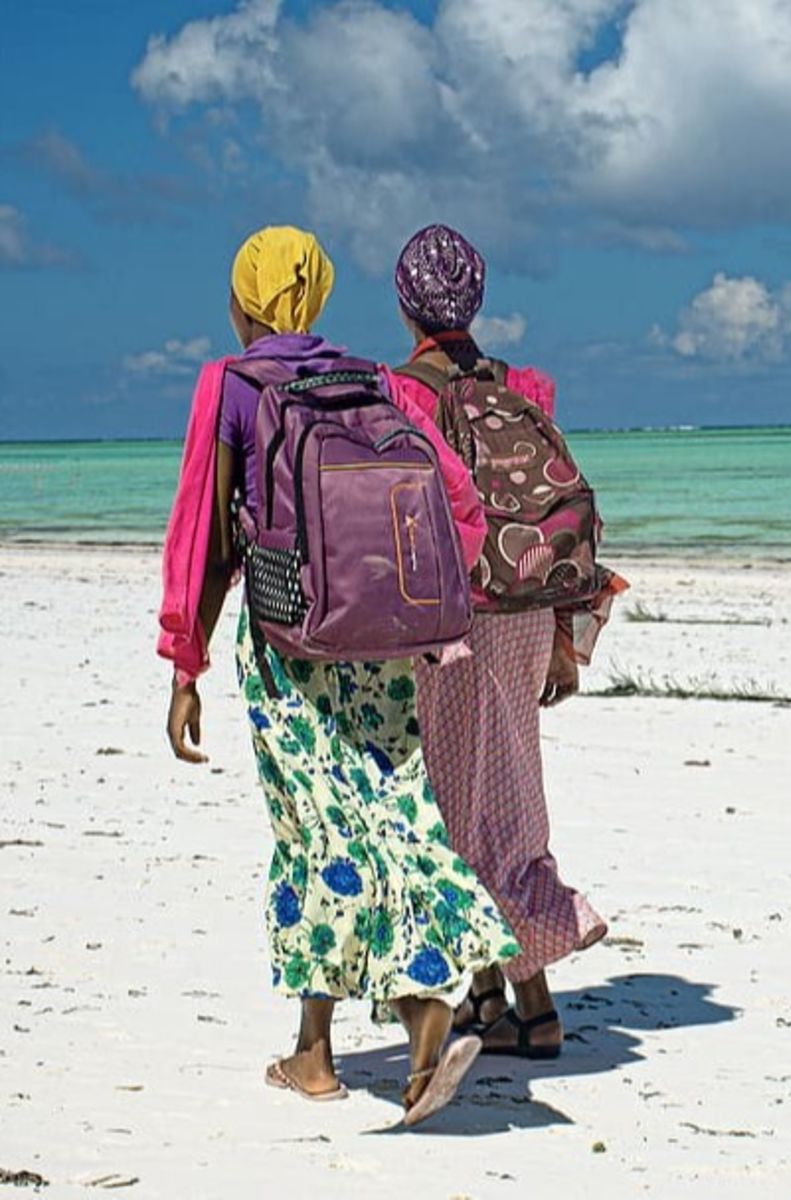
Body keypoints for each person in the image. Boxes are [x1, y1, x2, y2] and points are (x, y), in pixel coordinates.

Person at [159, 225, 518, 1121]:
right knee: (398, 811)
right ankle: (399, 1010)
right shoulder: (376, 383)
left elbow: (202, 534)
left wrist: (184, 659)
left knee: (314, 831)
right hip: (383, 642)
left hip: (288, 644)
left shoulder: (232, 384)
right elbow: (456, 505)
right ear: (315, 296)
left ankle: (347, 1042)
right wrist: (441, 611)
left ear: (245, 301)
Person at [389, 224, 615, 1059]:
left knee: (448, 805)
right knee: (513, 796)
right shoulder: (525, 388)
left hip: (442, 620)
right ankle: (506, 998)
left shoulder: (397, 395)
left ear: (407, 304)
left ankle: (525, 995)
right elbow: (543, 523)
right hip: (523, 615)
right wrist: (564, 637)